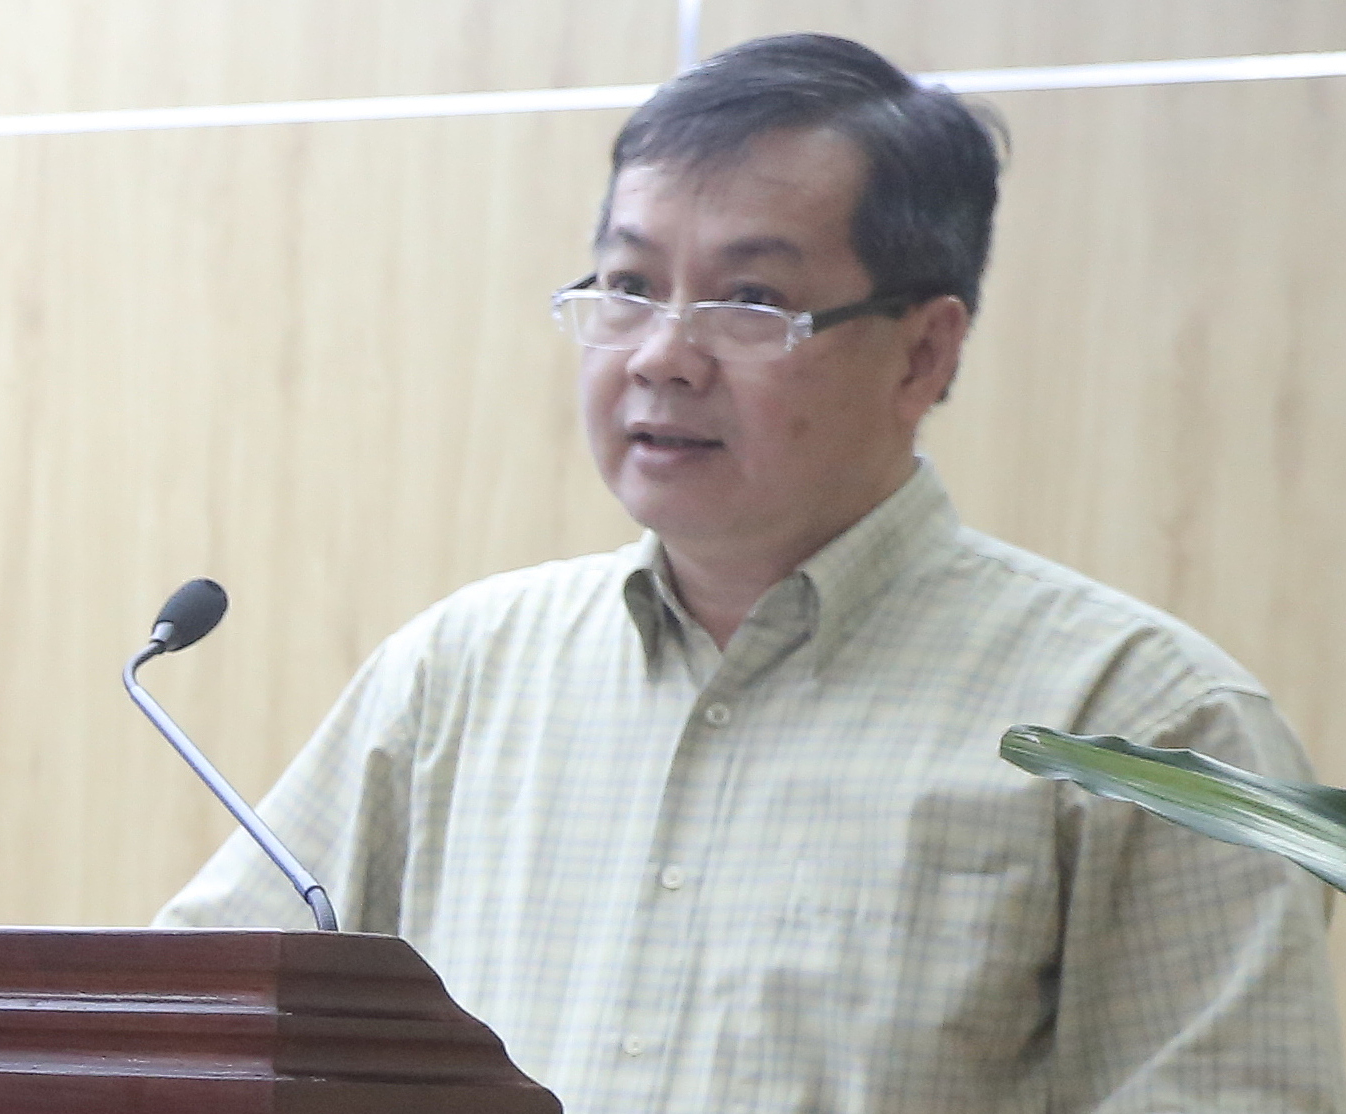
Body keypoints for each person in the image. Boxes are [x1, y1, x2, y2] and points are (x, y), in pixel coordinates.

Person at [156, 33, 1346, 1113]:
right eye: (629, 286)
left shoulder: (1144, 721)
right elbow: (178, 1030)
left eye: (751, 299)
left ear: (923, 353)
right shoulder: (457, 672)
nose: (662, 356)